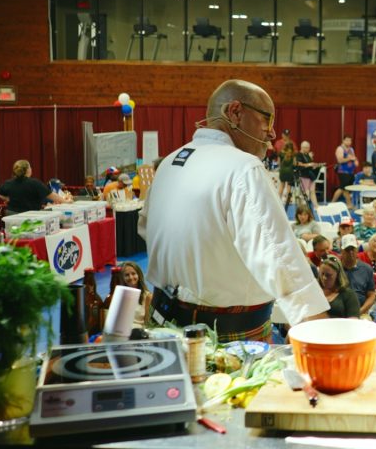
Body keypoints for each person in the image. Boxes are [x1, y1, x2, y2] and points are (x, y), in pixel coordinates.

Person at [140, 79, 328, 343]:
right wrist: (325, 337)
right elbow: (280, 258)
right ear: (235, 112)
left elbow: (146, 229)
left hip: (162, 322)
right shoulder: (243, 168)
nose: (272, 133)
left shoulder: (170, 162)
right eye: (266, 120)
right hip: (226, 335)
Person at [0, 159, 64, 215]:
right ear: (28, 170)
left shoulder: (9, 183)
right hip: (30, 216)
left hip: (12, 215)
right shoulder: (35, 183)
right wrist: (65, 201)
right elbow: (51, 195)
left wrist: (7, 198)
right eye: (30, 167)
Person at [119, 261, 152, 328]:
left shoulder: (148, 296)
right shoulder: (119, 294)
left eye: (133, 273)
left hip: (138, 333)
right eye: (127, 275)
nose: (131, 277)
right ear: (122, 278)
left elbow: (147, 323)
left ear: (139, 275)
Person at [331, 135, 358, 208]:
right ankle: (332, 203)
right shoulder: (340, 148)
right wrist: (349, 158)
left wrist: (355, 161)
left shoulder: (351, 149)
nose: (349, 142)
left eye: (350, 140)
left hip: (351, 172)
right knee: (342, 188)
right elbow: (340, 160)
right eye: (347, 140)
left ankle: (349, 204)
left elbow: (354, 158)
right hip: (343, 171)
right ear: (343, 140)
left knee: (346, 189)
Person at [295, 141, 322, 208]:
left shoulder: (307, 154)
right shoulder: (299, 155)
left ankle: (316, 206)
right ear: (303, 147)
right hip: (303, 175)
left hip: (311, 175)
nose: (309, 149)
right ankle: (303, 207)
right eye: (307, 148)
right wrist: (309, 164)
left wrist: (314, 165)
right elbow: (299, 164)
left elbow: (310, 164)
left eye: (309, 147)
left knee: (312, 191)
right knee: (305, 192)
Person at [278, 141, 296, 205]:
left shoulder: (281, 153)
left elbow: (278, 163)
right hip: (290, 172)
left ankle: (278, 199)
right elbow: (294, 164)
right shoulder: (293, 154)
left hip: (282, 171)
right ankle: (287, 201)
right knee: (288, 186)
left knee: (281, 186)